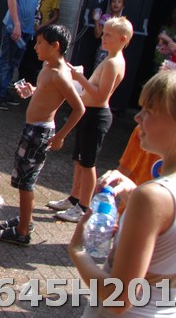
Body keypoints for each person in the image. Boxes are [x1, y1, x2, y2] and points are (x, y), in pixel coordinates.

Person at [68, 68, 176, 318]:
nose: (138, 117)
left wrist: (78, 251)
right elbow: (174, 234)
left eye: (149, 111)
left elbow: (119, 298)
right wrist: (132, 192)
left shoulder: (153, 197)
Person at [0, 24, 85, 245]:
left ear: (55, 46)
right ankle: (26, 219)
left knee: (26, 182)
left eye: (40, 43)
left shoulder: (60, 74)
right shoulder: (47, 66)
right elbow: (45, 92)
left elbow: (79, 108)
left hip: (40, 132)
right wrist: (32, 91)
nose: (35, 47)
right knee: (22, 178)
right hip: (31, 129)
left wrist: (60, 136)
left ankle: (23, 231)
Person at [47, 16, 132, 223]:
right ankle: (74, 198)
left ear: (122, 39)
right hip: (89, 113)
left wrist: (79, 78)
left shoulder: (113, 63)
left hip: (97, 115)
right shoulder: (109, 59)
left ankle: (84, 206)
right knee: (79, 159)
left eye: (109, 35)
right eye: (103, 33)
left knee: (87, 163)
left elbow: (101, 96)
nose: (103, 37)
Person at [17, 0, 60, 84]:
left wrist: (43, 26)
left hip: (40, 31)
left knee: (34, 56)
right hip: (27, 27)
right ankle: (20, 79)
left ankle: (30, 81)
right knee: (23, 54)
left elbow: (55, 16)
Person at [93, 0, 125, 68]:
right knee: (98, 70)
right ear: (110, 5)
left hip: (115, 52)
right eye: (113, 1)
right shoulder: (105, 18)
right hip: (103, 50)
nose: (116, 3)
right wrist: (96, 20)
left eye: (119, 2)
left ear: (123, 6)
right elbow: (97, 34)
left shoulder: (123, 22)